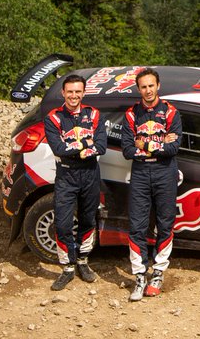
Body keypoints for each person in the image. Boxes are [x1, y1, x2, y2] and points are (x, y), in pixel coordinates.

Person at [121, 67, 182, 301]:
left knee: (165, 224)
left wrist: (143, 144)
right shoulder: (131, 114)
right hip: (140, 174)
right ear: (139, 89)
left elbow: (174, 148)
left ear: (158, 86)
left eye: (151, 85)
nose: (148, 90)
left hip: (165, 173)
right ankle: (138, 275)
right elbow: (127, 150)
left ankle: (158, 273)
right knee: (136, 225)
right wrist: (158, 144)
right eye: (143, 86)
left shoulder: (171, 112)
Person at [43, 73, 107, 291]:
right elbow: (58, 149)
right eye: (69, 91)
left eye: (78, 91)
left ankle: (82, 261)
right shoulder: (54, 117)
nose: (73, 96)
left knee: (88, 219)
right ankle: (67, 267)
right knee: (62, 223)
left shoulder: (94, 114)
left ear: (83, 92)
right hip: (66, 176)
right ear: (63, 93)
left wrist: (76, 145)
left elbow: (101, 146)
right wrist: (85, 144)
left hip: (90, 174)